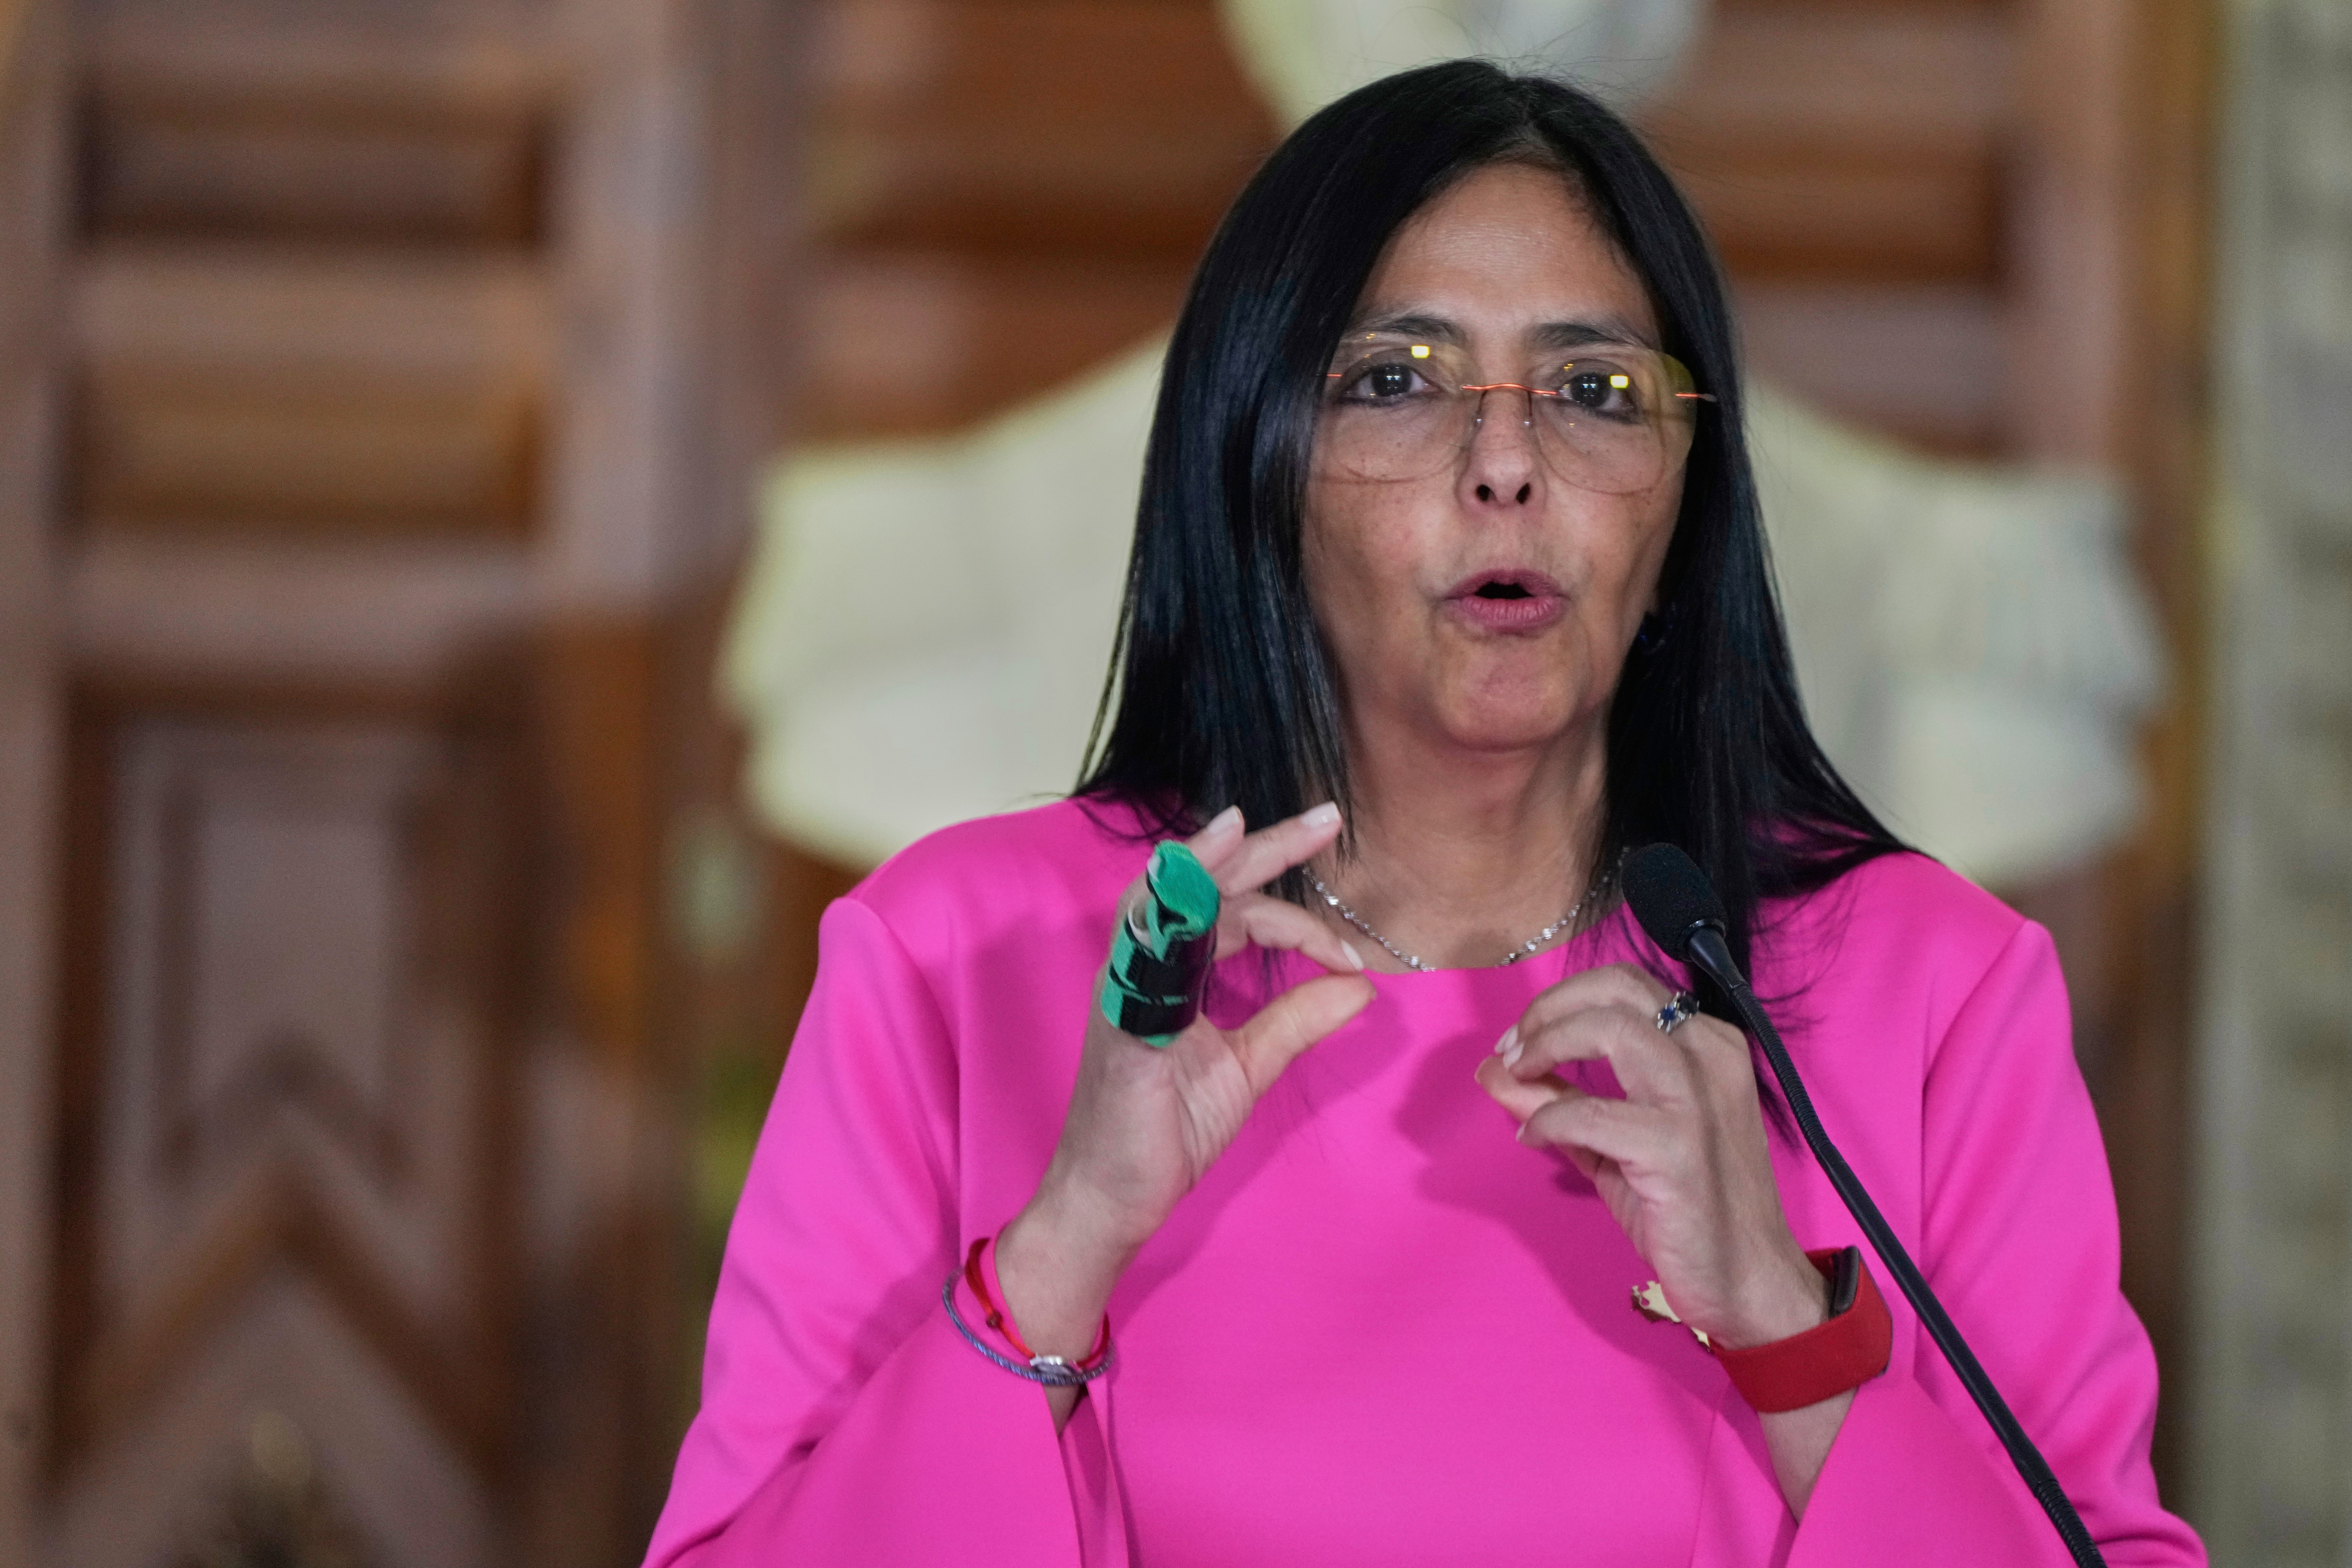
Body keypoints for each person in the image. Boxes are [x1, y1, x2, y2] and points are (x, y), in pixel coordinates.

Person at [645, 63, 2204, 1566]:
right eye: (1398, 381)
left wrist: (1785, 1331)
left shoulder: (1934, 989)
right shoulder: (959, 959)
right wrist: (1054, 1262)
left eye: (1596, 392)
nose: (1508, 464)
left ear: (1688, 496)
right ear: (1255, 458)